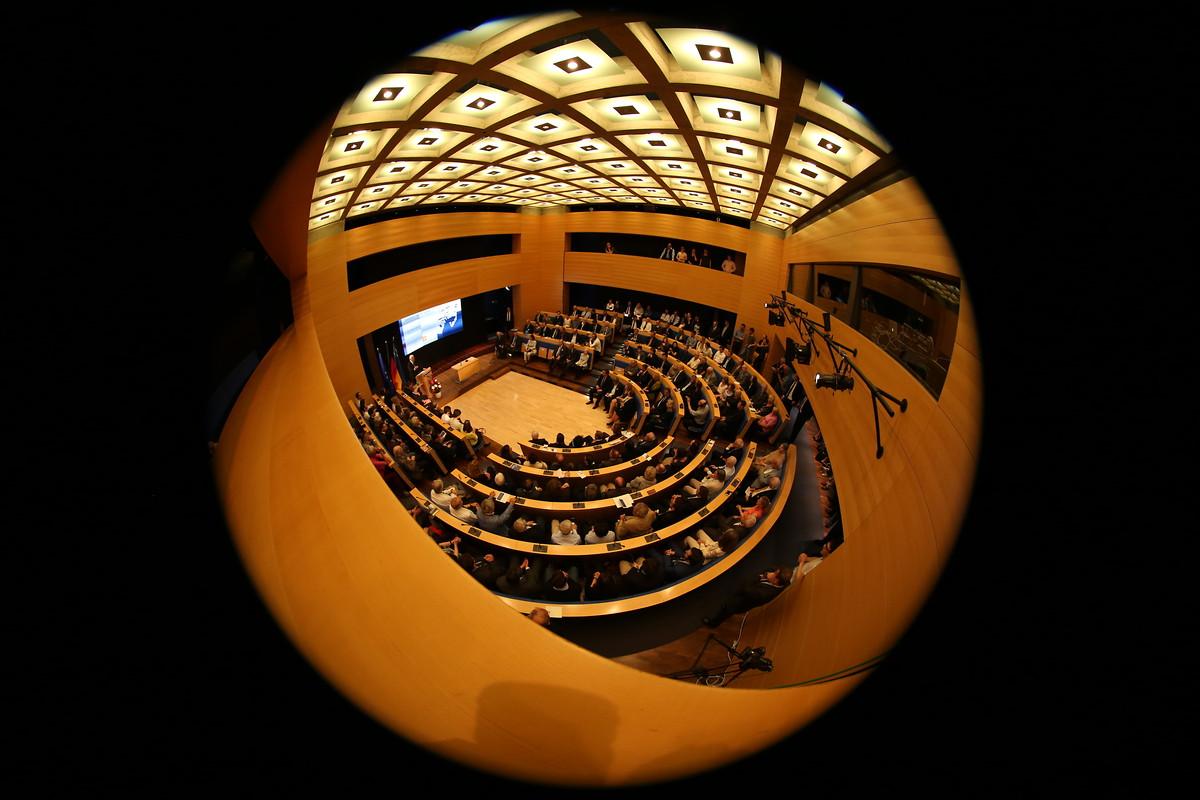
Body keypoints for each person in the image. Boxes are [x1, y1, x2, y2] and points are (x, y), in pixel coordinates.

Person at [703, 565, 796, 627]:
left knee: (726, 609)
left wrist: (760, 577)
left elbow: (746, 589)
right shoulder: (782, 580)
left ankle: (713, 623)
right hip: (745, 594)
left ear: (776, 581)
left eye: (775, 574)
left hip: (740, 602)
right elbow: (769, 569)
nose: (772, 572)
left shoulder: (764, 594)